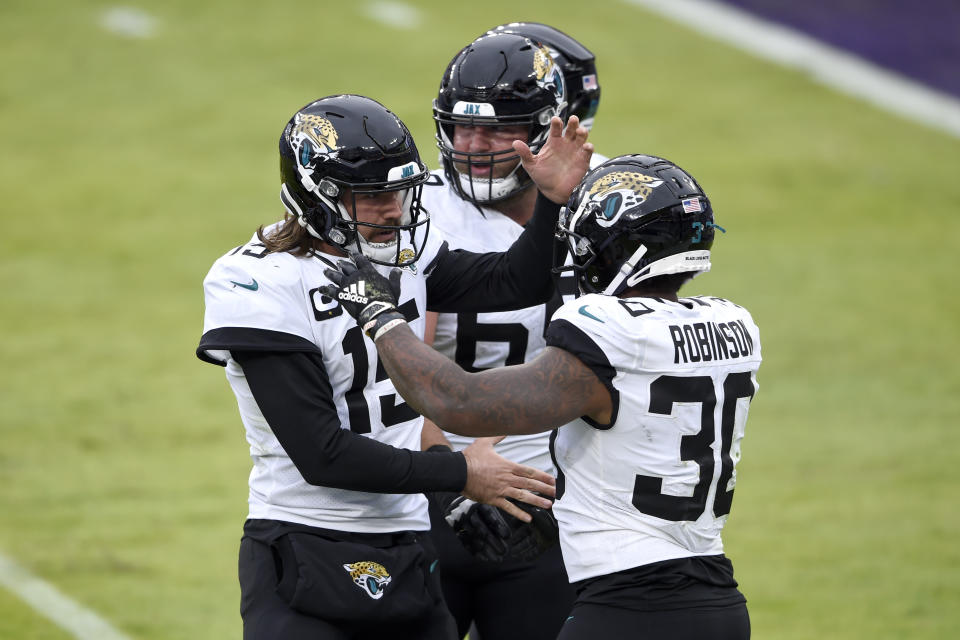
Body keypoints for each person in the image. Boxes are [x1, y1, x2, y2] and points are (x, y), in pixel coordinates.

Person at [195, 94, 593, 639]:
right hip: (303, 539)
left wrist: (551, 199)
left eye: (400, 193)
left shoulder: (396, 252)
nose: (394, 211)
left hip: (407, 543)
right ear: (319, 196)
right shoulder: (260, 281)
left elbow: (512, 281)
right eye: (374, 196)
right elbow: (323, 454)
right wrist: (461, 475)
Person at [324, 154, 762, 640]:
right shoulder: (735, 325)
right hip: (718, 599)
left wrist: (381, 317)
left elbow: (458, 402)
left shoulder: (611, 332)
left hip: (627, 605)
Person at [420, 26, 606, 640]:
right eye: (462, 127)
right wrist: (453, 477)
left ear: (549, 126)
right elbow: (399, 371)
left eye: (498, 129)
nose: (475, 147)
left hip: (553, 501)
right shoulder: (420, 211)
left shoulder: (602, 199)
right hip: (435, 489)